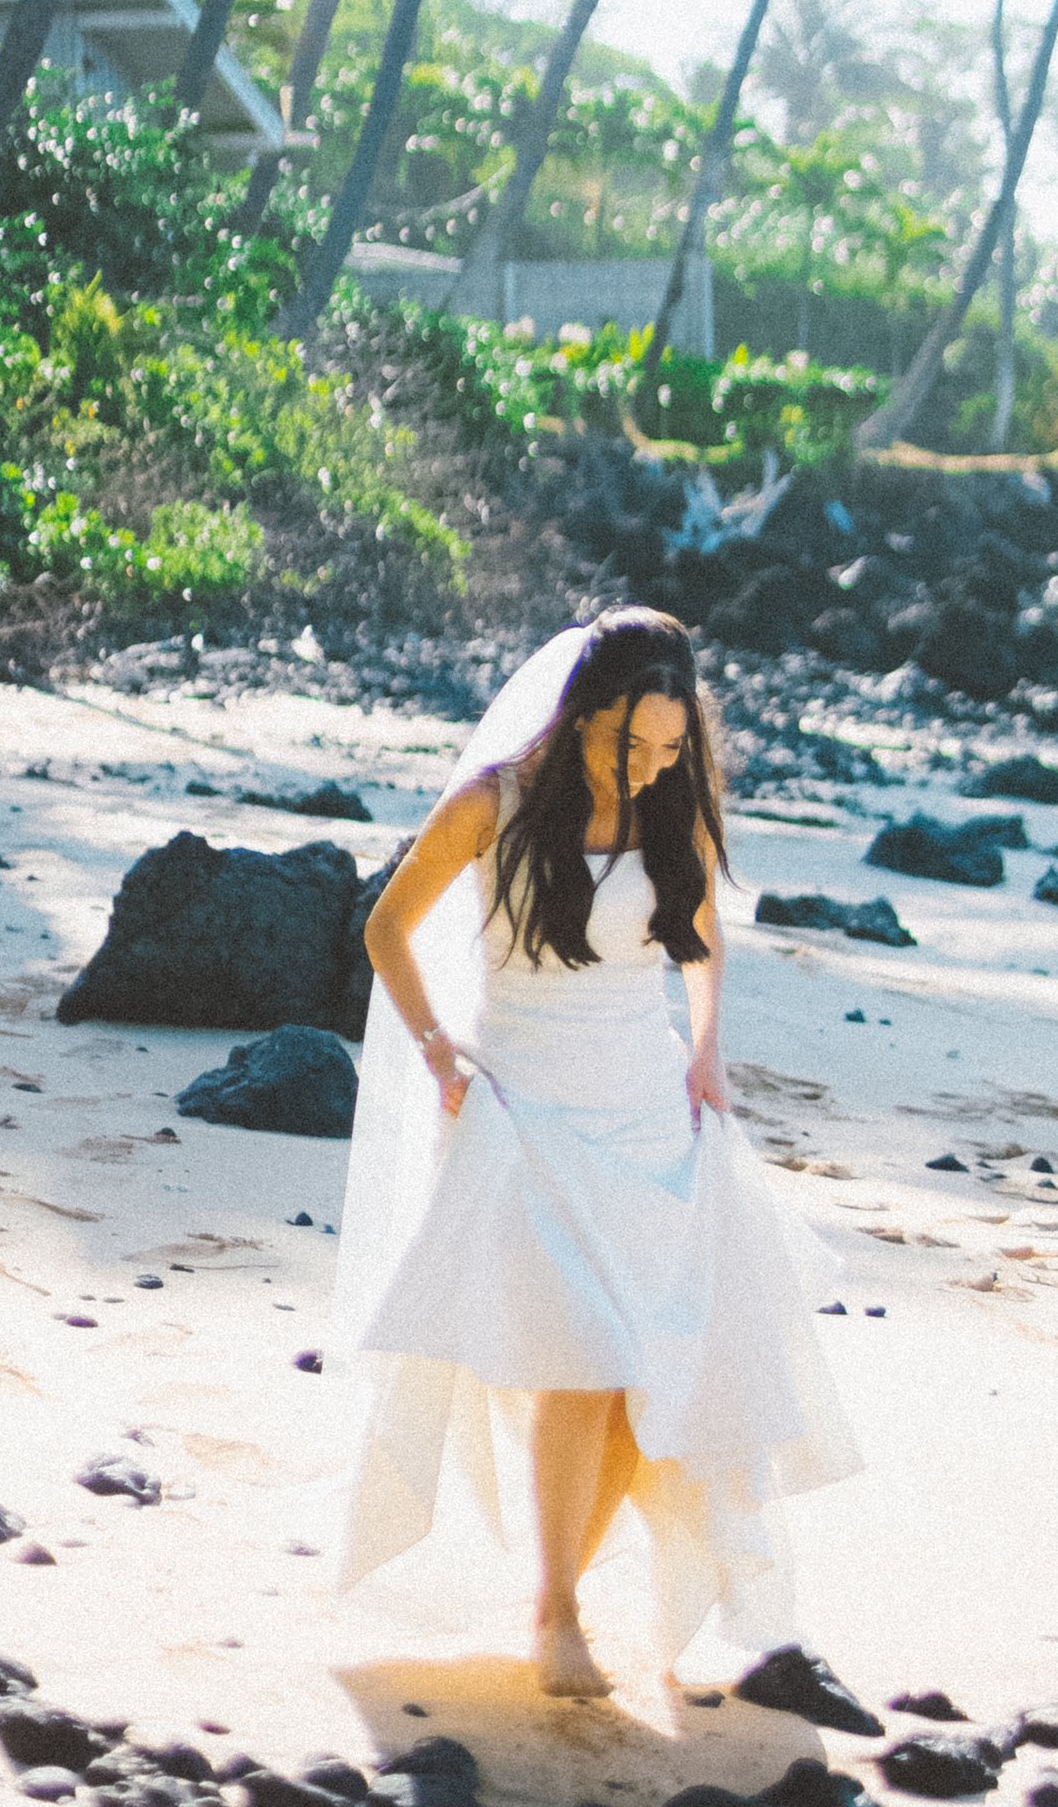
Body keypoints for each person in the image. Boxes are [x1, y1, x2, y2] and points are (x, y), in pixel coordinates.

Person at [327, 607, 858, 1700]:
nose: (652, 769)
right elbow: (386, 927)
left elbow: (702, 937)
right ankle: (556, 1611)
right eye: (632, 745)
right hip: (529, 1111)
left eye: (671, 750)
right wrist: (438, 1054)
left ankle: (555, 1582)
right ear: (580, 717)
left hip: (649, 1111)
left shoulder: (673, 812)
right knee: (585, 1353)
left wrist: (707, 1051)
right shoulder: (494, 804)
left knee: (643, 1371)